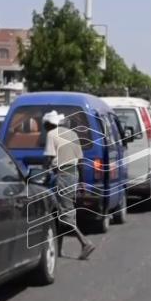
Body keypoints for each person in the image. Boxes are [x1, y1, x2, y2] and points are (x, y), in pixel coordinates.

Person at [43, 111, 95, 260]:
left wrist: (42, 172)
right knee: (61, 211)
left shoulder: (51, 134)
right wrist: (82, 182)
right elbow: (80, 161)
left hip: (63, 175)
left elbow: (49, 158)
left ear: (48, 124)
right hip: (74, 175)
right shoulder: (73, 134)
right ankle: (58, 250)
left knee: (65, 213)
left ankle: (85, 242)